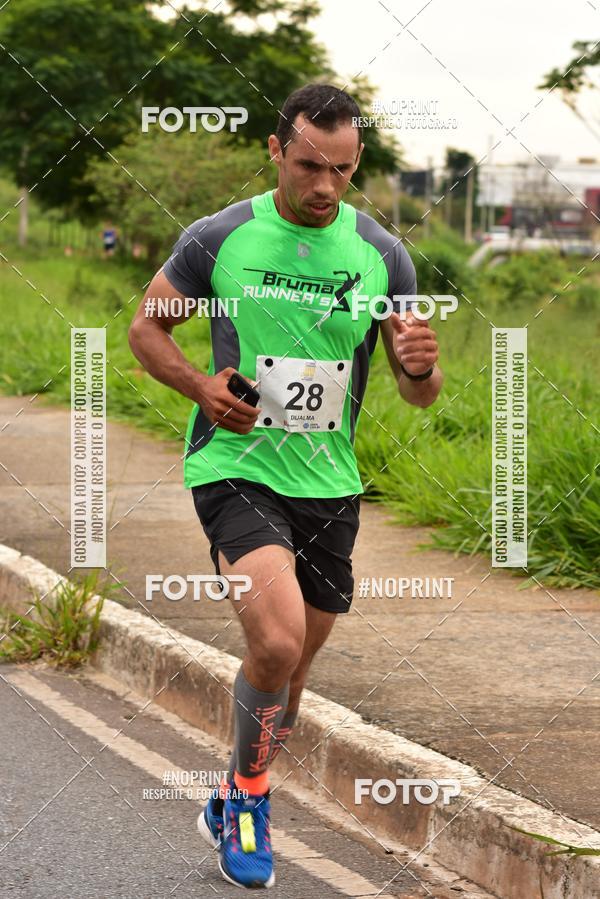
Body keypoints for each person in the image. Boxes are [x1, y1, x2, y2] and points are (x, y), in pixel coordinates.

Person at [128, 82, 442, 889]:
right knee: (275, 642)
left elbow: (417, 391)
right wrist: (200, 386)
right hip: (235, 467)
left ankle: (236, 781)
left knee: (292, 676)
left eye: (341, 169)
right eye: (308, 165)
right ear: (275, 150)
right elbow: (146, 327)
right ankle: (251, 801)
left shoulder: (383, 254)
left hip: (330, 483)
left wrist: (421, 369)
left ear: (357, 160)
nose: (325, 185)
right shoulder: (219, 237)